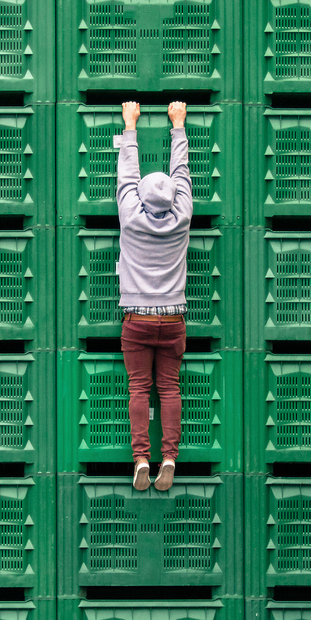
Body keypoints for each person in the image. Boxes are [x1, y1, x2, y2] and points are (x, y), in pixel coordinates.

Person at [117, 101, 192, 491]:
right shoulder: (182, 217)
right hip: (173, 319)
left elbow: (127, 175)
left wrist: (130, 125)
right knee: (169, 389)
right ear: (174, 198)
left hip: (137, 320)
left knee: (139, 389)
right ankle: (169, 458)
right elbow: (182, 173)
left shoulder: (131, 216)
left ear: (142, 196)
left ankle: (141, 459)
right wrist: (178, 125)